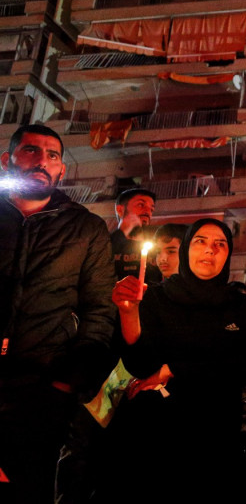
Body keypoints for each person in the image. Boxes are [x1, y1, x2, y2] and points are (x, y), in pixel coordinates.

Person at [0, 124, 117, 503]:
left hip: (41, 390)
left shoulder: (85, 228)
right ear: (8, 159)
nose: (43, 162)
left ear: (62, 170)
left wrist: (67, 383)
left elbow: (99, 310)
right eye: (32, 151)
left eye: (52, 156)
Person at [109, 219, 246, 502]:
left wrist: (173, 369)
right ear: (187, 250)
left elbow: (243, 367)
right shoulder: (155, 298)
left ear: (228, 255)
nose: (210, 250)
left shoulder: (240, 307)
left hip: (214, 436)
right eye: (200, 241)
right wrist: (128, 312)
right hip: (154, 435)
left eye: (220, 244)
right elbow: (141, 365)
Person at [111, 188, 158, 283]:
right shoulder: (105, 243)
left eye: (151, 209)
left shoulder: (156, 247)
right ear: (120, 210)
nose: (147, 212)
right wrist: (121, 233)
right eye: (141, 205)